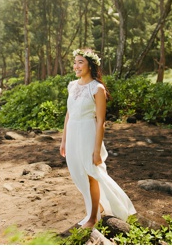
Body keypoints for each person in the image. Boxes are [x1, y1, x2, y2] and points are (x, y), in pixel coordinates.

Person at [59, 48, 136, 228]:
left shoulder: (97, 88)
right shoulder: (72, 85)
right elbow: (68, 114)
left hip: (88, 133)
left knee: (91, 173)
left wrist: (96, 150)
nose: (76, 66)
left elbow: (101, 121)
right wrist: (63, 140)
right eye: (75, 62)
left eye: (80, 62)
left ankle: (93, 217)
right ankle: (97, 207)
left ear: (90, 65)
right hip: (72, 133)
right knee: (78, 173)